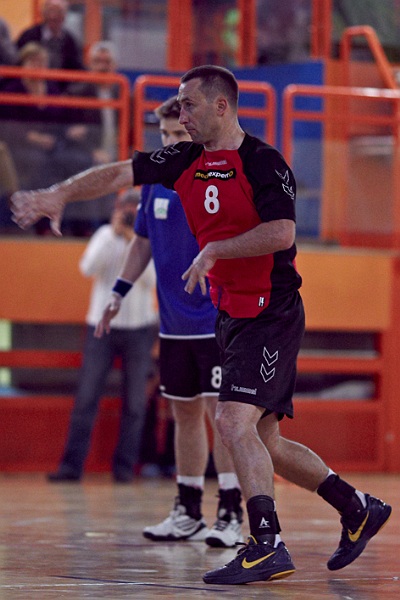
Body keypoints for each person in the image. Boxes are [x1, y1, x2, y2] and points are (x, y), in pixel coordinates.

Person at [11, 65, 392, 585]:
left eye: (189, 105)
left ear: (221, 106)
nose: (182, 115)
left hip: (271, 311)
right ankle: (357, 507)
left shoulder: (263, 162)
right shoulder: (184, 159)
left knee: (231, 422)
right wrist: (58, 193)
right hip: (231, 314)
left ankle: (265, 544)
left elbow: (281, 232)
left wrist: (215, 249)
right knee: (265, 441)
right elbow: (120, 173)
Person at [98, 95, 243, 547]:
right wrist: (118, 292)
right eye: (164, 134)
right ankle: (188, 510)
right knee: (183, 412)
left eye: (179, 133)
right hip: (173, 323)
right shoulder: (154, 184)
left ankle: (231, 513)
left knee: (223, 417)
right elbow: (142, 242)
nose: (170, 142)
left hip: (217, 318)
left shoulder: (219, 178)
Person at [47, 189, 158, 483]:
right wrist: (115, 237)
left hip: (139, 328)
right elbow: (88, 268)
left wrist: (134, 241)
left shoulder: (150, 239)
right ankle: (71, 467)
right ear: (117, 209)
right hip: (101, 327)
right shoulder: (104, 236)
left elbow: (151, 281)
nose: (129, 215)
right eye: (126, 210)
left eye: (134, 212)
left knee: (135, 404)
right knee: (86, 398)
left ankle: (124, 470)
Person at [16, 0, 83, 85]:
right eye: (50, 11)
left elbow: (77, 67)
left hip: (61, 89)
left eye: (58, 12)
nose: (53, 16)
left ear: (65, 15)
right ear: (43, 13)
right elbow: (17, 61)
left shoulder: (71, 41)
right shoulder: (29, 36)